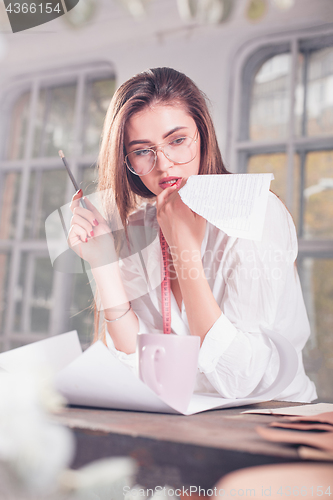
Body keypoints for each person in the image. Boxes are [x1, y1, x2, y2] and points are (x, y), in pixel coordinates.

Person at [69, 67, 316, 402]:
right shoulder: (138, 226)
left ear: (203, 135)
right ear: (126, 159)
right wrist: (103, 265)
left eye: (178, 141)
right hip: (185, 413)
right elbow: (138, 363)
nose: (164, 164)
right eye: (142, 151)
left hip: (270, 415)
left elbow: (241, 377)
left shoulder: (256, 214)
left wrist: (183, 248)